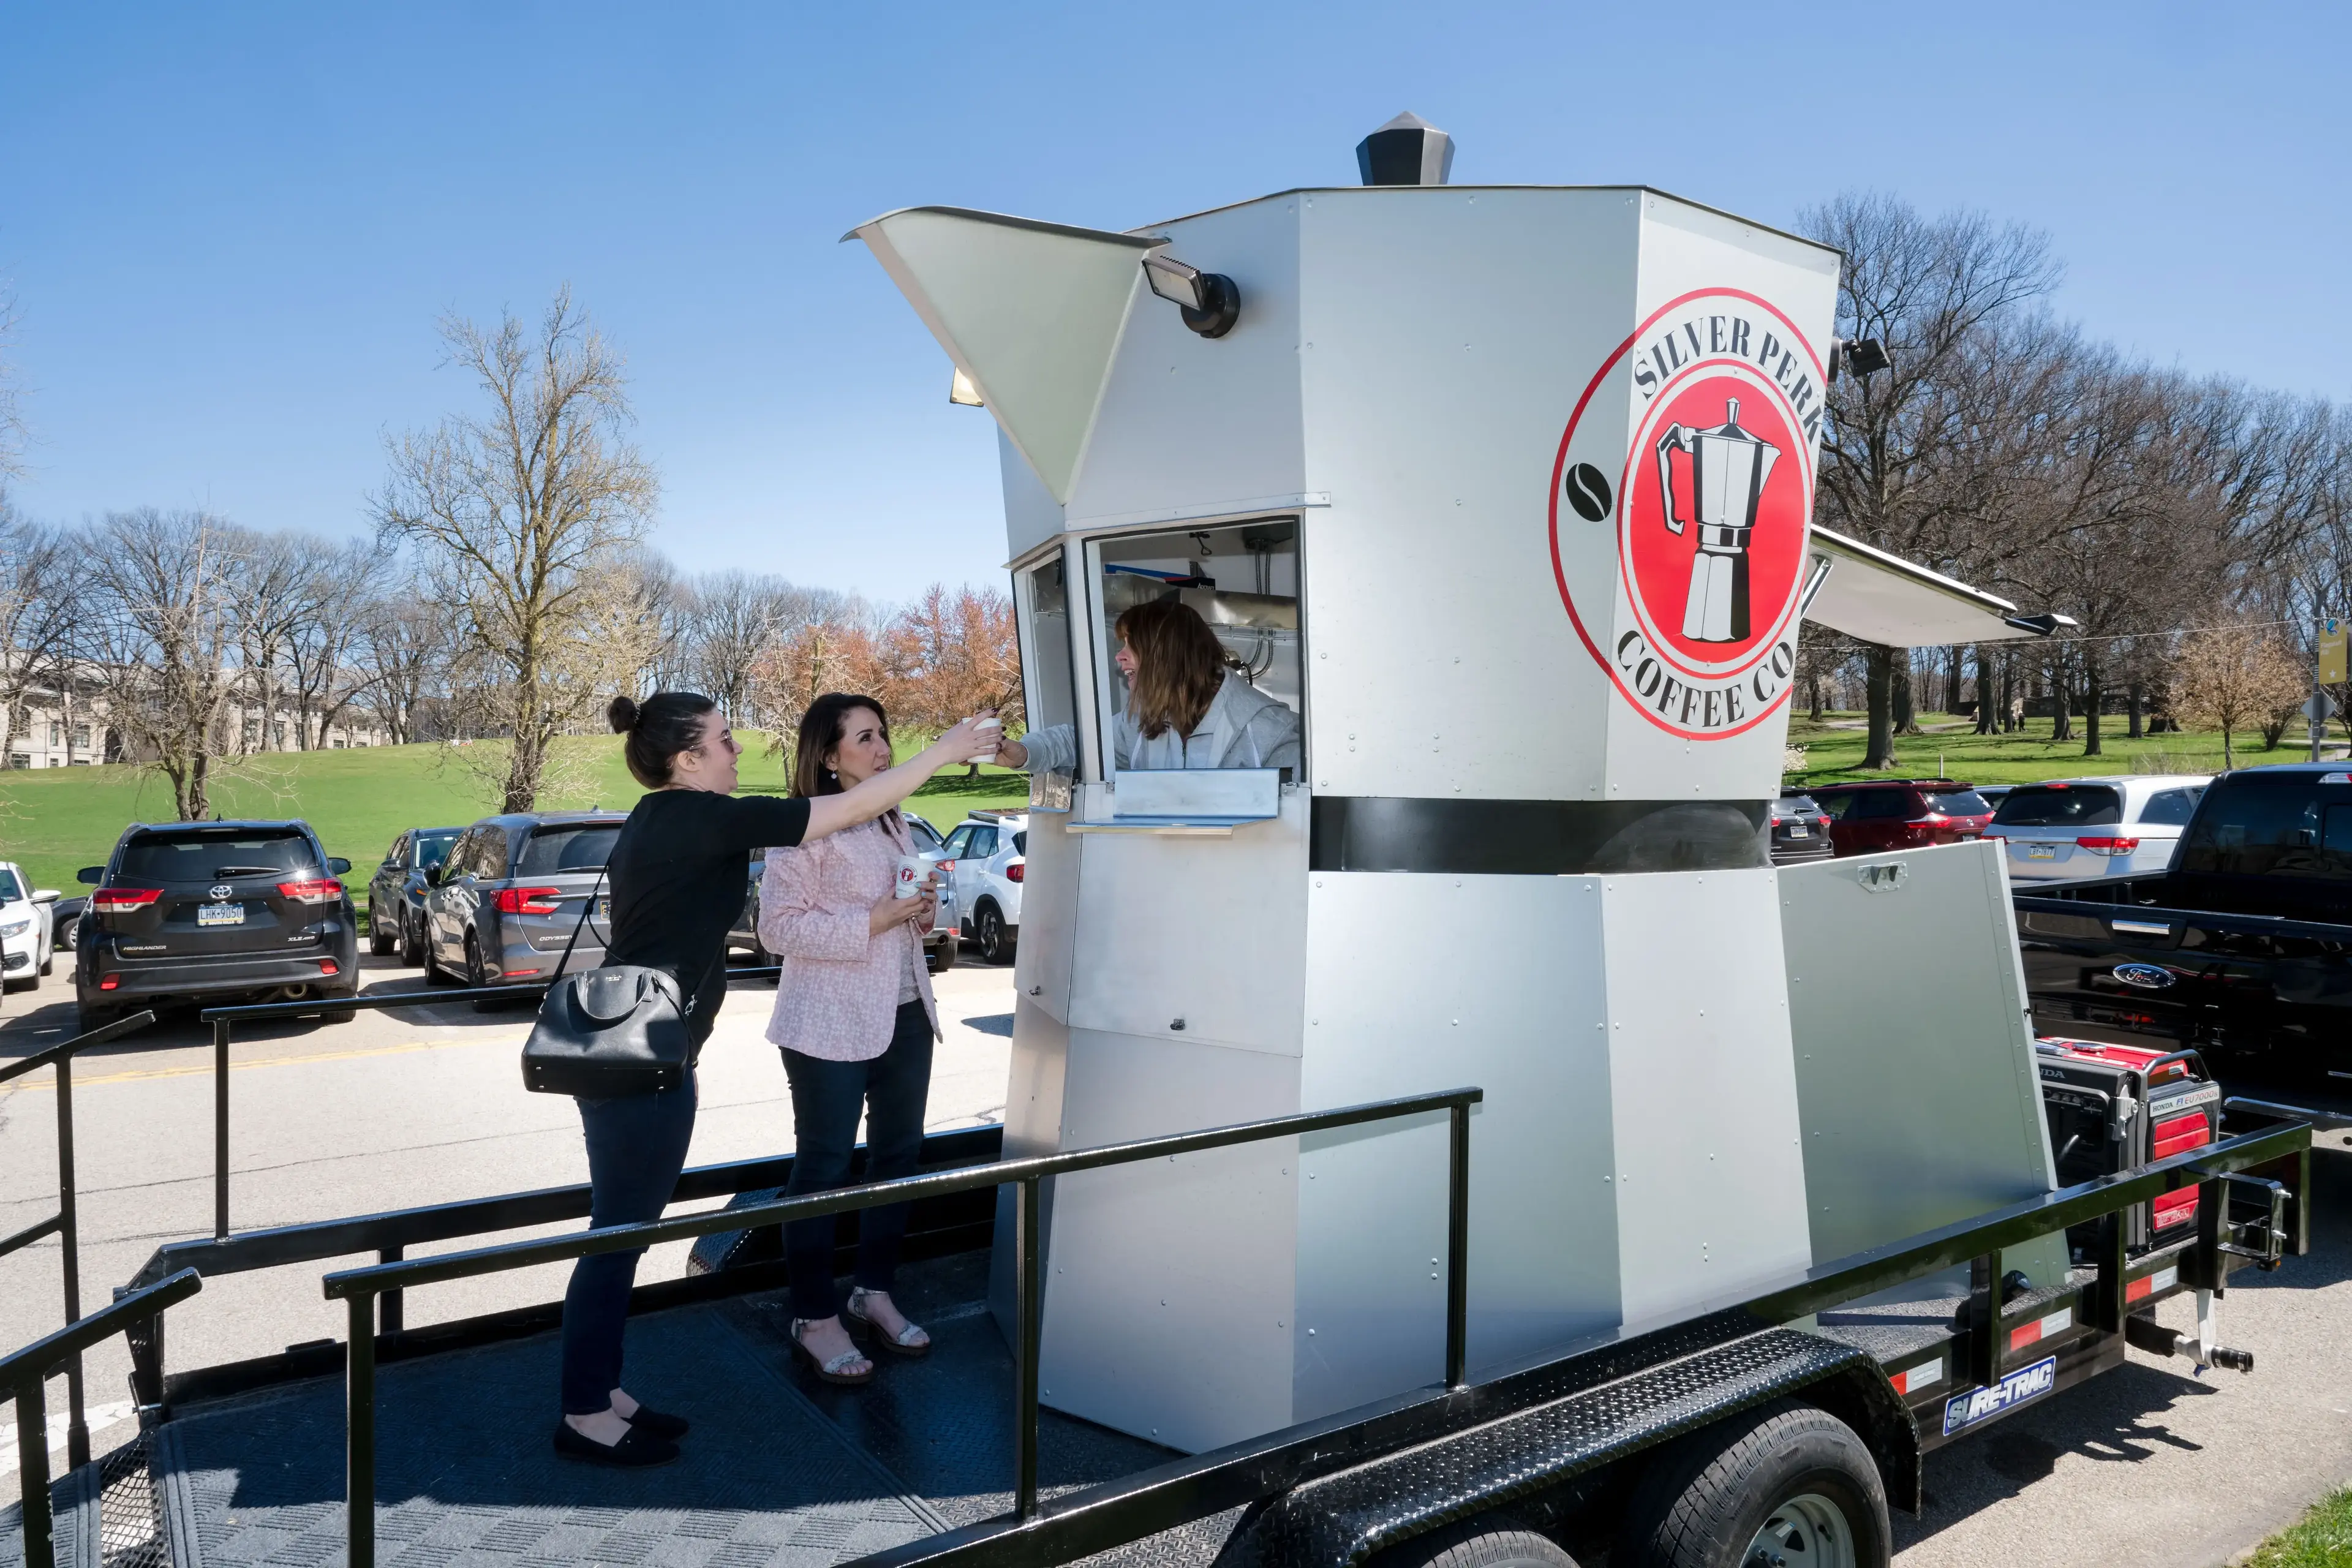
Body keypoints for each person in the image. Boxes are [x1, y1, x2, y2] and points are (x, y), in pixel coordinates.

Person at [555, 691, 993, 1466]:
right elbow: (847, 810)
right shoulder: (699, 816)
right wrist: (947, 747)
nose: (737, 752)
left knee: (626, 1227)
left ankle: (604, 1387)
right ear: (687, 760)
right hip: (639, 1063)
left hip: (650, 1053)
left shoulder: (667, 818)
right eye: (723, 742)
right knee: (618, 1235)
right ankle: (586, 1409)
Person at [759, 693, 952, 1385]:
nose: (882, 748)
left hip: (905, 1015)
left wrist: (917, 915)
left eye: (884, 734)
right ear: (828, 755)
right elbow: (775, 931)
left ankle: (873, 1291)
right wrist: (871, 920)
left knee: (900, 1157)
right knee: (823, 1170)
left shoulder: (892, 817)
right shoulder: (804, 828)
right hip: (825, 1024)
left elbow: (896, 917)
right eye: (865, 737)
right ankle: (814, 1316)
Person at [993, 598, 1300, 774]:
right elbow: (1076, 742)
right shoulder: (1140, 723)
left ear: (1166, 654)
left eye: (1132, 645)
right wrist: (1021, 753)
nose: (1120, 657)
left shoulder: (1272, 731)